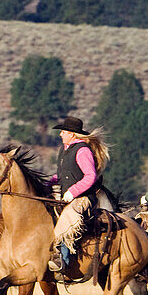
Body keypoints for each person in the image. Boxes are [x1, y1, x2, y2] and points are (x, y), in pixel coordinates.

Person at [48, 116, 109, 274]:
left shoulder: (82, 150)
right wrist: (48, 183)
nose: (60, 134)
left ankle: (63, 260)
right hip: (66, 196)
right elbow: (63, 175)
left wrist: (73, 191)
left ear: (72, 134)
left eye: (63, 131)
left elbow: (90, 176)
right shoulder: (65, 150)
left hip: (83, 198)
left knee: (68, 216)